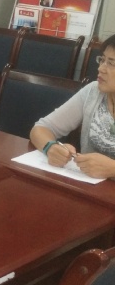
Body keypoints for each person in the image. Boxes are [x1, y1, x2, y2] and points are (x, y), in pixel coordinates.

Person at [30, 35, 115, 179]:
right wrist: (50, 147)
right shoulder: (93, 91)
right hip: (88, 186)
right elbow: (41, 128)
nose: (101, 68)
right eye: (102, 60)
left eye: (111, 63)